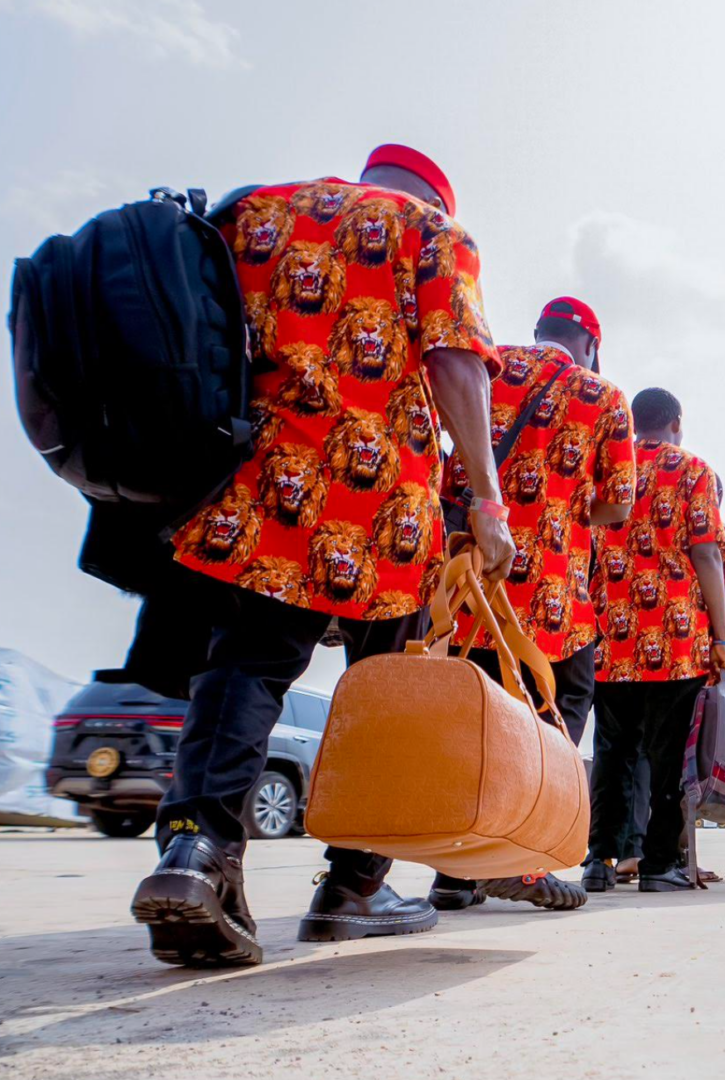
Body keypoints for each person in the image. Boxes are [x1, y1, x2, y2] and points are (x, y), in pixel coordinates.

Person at [130, 146, 507, 968]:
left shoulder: (254, 211)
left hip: (263, 486)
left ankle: (197, 855)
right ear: (433, 195)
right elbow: (453, 361)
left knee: (243, 670)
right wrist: (485, 498)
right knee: (393, 696)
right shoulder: (430, 230)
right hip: (385, 512)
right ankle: (353, 889)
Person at [430, 296, 635, 913]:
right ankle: (519, 862)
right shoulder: (600, 395)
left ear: (539, 333)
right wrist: (566, 504)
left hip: (469, 582)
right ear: (590, 345)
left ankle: (455, 872)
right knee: (553, 714)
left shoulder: (489, 367)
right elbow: (617, 507)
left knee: (471, 724)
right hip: (549, 595)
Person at [583, 388, 725, 893]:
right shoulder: (694, 471)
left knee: (612, 753)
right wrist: (720, 633)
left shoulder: (607, 466)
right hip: (677, 636)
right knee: (668, 756)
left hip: (610, 637)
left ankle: (598, 861)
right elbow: (708, 555)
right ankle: (659, 865)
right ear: (676, 423)